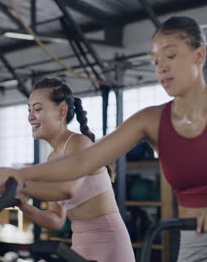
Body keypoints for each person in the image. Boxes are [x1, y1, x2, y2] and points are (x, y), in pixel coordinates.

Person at [0, 16, 207, 261]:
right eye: (156, 61)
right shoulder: (151, 120)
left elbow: (69, 184)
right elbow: (83, 161)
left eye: (170, 56)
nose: (161, 68)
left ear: (199, 55)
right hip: (192, 242)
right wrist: (20, 175)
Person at [11, 78, 135, 262]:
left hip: (109, 244)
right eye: (29, 110)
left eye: (37, 109)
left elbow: (66, 190)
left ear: (62, 110)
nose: (30, 117)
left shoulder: (78, 143)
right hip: (79, 246)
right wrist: (23, 205)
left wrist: (19, 184)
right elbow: (56, 220)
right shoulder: (52, 158)